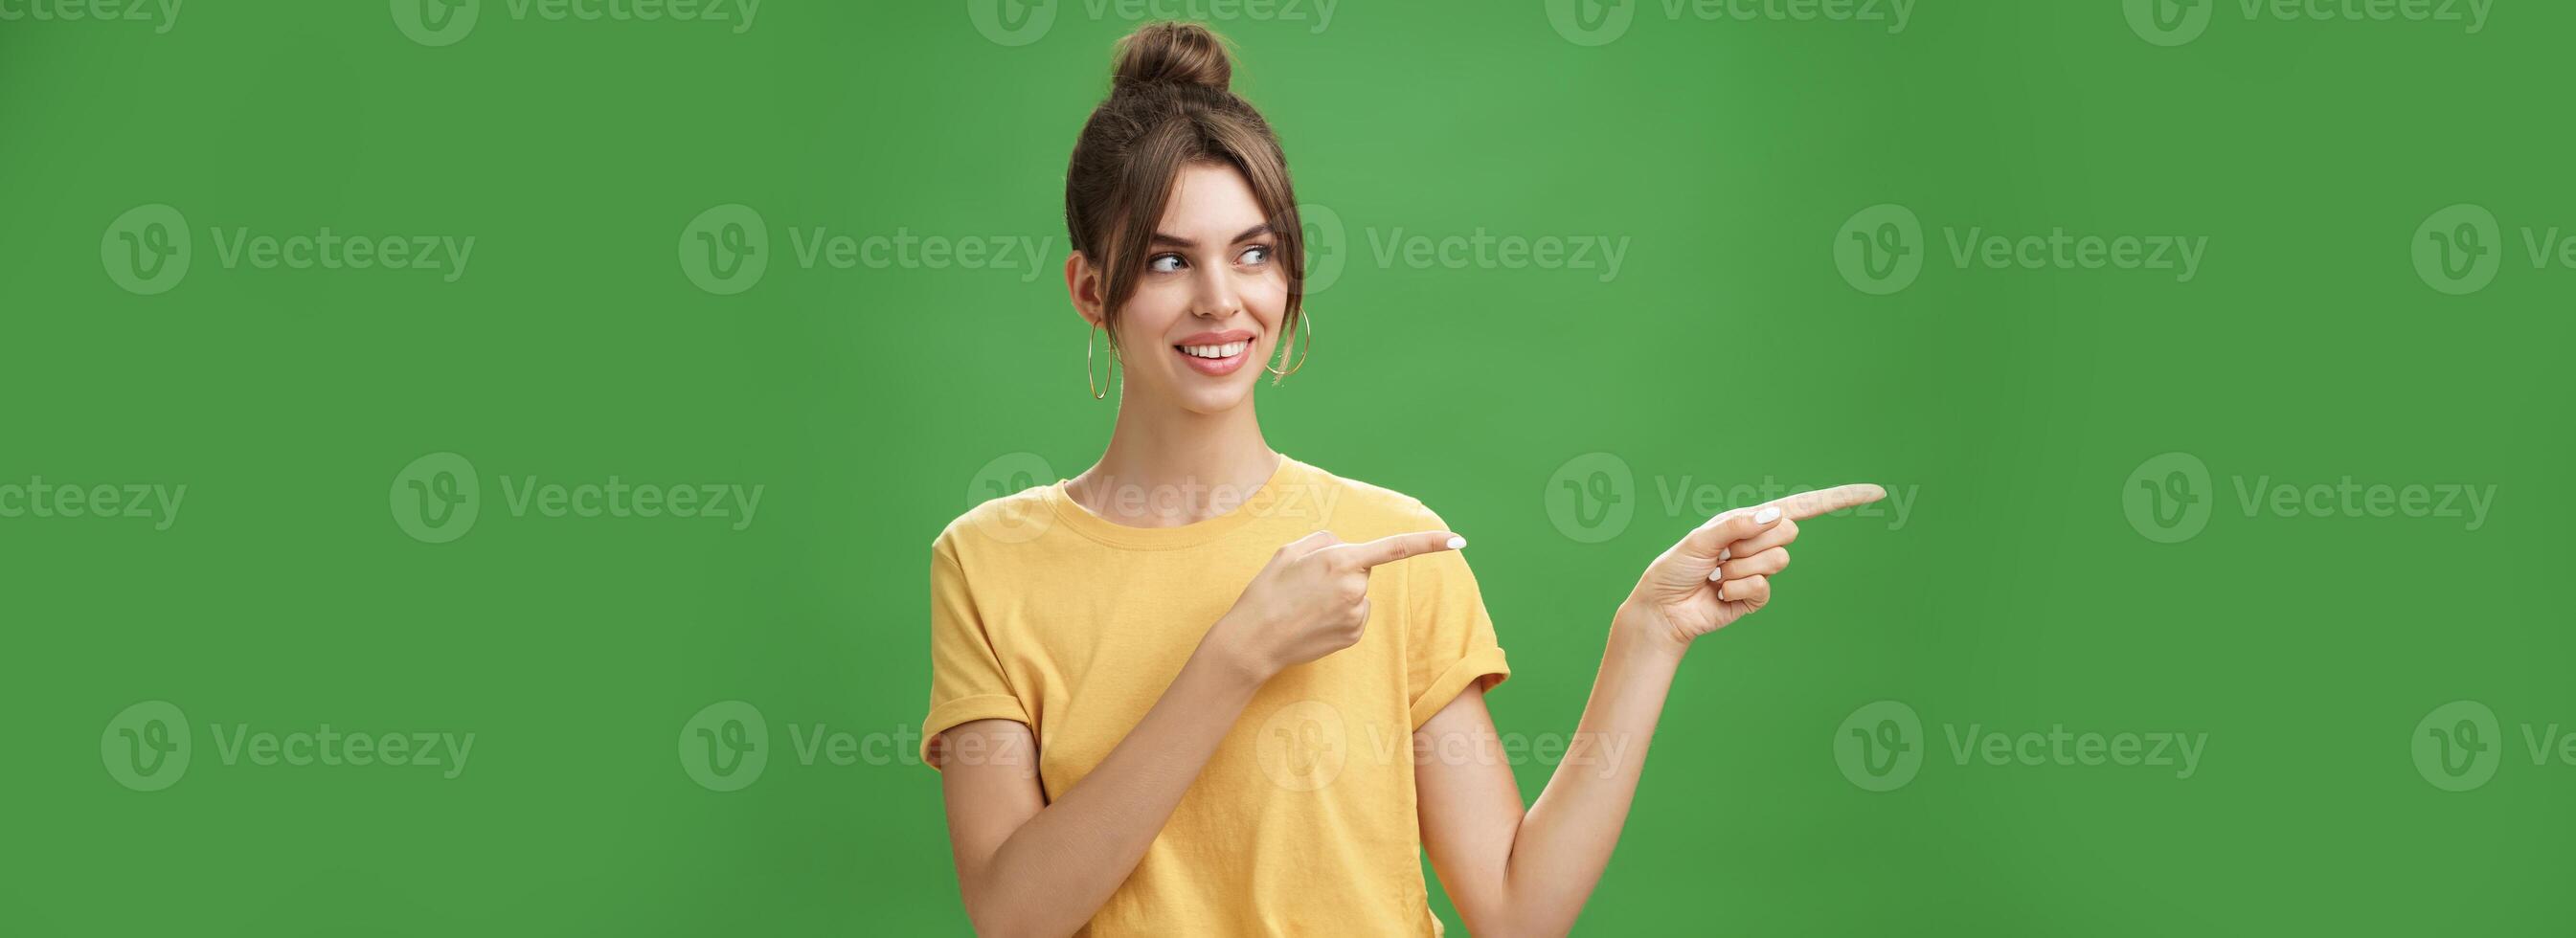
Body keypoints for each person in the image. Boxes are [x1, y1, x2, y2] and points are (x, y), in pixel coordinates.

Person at [920, 21, 1885, 936]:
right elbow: (1015, 913)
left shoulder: (1388, 543)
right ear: (1092, 289)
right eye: (1169, 260)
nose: (1221, 299)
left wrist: (1647, 633)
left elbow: (1515, 906)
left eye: (1254, 252)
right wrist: (1234, 656)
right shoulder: (988, 561)